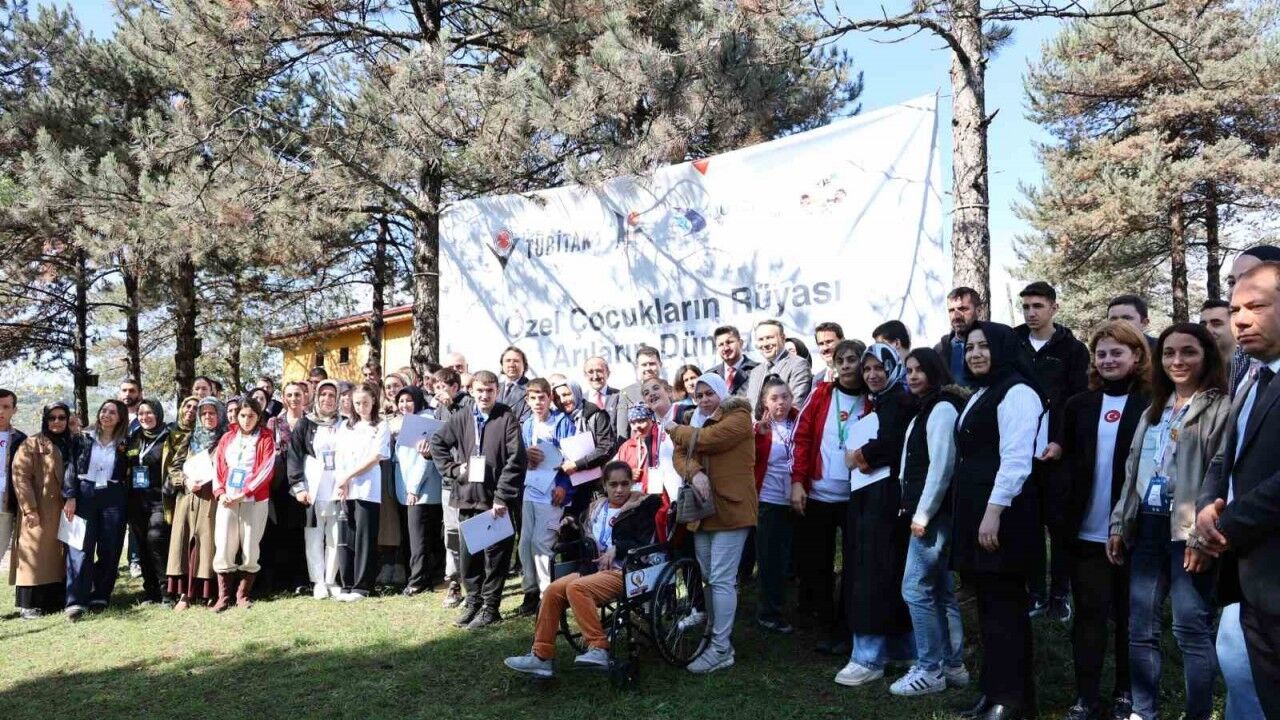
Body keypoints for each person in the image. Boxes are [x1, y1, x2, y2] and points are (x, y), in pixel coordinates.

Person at [1108, 323, 1229, 720]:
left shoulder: (1221, 408)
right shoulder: (1154, 409)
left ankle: (1198, 714)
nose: (1177, 360)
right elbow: (1133, 473)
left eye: (1188, 351)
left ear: (1206, 356)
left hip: (1189, 531)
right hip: (1147, 525)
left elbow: (1219, 473)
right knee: (1139, 628)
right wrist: (1119, 524)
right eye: (1169, 353)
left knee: (1190, 630)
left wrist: (1202, 536)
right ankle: (1143, 712)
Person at [1195, 261, 1280, 720]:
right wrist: (1205, 508)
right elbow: (1224, 458)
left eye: (1256, 307)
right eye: (1235, 310)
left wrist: (1224, 526)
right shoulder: (1250, 379)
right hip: (1250, 582)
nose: (1241, 320)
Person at [952, 322, 1045, 720]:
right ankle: (992, 692)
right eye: (970, 347)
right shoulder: (982, 392)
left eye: (984, 346)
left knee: (1006, 609)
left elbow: (1016, 460)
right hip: (979, 511)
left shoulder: (1018, 392)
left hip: (1004, 515)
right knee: (989, 607)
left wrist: (993, 513)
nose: (975, 353)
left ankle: (1013, 700)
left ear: (1003, 349)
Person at [1058, 321, 1150, 720]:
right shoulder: (1079, 405)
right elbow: (1064, 463)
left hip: (1133, 533)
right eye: (1101, 353)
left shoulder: (1152, 404)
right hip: (1086, 532)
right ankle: (1086, 696)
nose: (1108, 360)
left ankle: (1127, 692)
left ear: (1137, 356)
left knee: (1131, 619)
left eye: (1117, 352)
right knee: (1089, 616)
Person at [503, 461, 661, 678]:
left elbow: (645, 541)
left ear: (631, 484)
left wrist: (618, 548)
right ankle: (541, 656)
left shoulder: (641, 507)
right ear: (604, 485)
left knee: (577, 588)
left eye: (625, 484)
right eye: (613, 484)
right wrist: (569, 525)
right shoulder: (597, 508)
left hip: (625, 571)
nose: (619, 490)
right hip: (592, 570)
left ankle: (599, 648)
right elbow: (583, 537)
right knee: (552, 591)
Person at [834, 344, 919, 687]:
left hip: (884, 500)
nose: (872, 374)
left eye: (879, 368)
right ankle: (899, 649)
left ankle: (868, 657)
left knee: (872, 572)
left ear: (892, 368)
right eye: (867, 369)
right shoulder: (885, 401)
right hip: (875, 499)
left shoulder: (899, 401)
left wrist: (857, 456)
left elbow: (892, 444)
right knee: (884, 571)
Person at [891, 348, 969, 697]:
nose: (912, 376)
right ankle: (953, 666)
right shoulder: (927, 408)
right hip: (929, 513)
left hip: (934, 516)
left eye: (919, 369)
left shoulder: (942, 408)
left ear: (935, 371)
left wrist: (922, 514)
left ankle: (929, 669)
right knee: (940, 589)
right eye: (908, 370)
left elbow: (942, 466)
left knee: (915, 588)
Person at [667, 372, 756, 674]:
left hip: (731, 508)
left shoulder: (739, 416)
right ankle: (715, 639)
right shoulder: (693, 421)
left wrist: (673, 428)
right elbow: (679, 457)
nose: (704, 400)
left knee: (721, 578)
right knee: (708, 577)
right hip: (702, 510)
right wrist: (696, 474)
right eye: (699, 395)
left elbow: (707, 439)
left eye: (709, 393)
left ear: (721, 392)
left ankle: (720, 648)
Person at [430, 370, 527, 630]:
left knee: (495, 557)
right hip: (467, 497)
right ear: (471, 391)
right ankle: (473, 602)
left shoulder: (506, 417)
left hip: (495, 501)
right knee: (469, 554)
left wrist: (502, 496)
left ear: (497, 391)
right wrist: (453, 470)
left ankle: (490, 607)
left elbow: (516, 460)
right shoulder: (462, 416)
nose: (485, 396)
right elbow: (438, 442)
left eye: (490, 391)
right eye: (480, 390)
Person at [1016, 281, 1089, 621]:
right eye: (1026, 307)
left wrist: (1061, 441)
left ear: (1054, 308)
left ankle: (1060, 593)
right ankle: (1034, 592)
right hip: (1020, 451)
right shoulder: (1013, 344)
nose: (1031, 313)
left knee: (1060, 527)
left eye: (1038, 306)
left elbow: (1078, 401)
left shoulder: (1072, 349)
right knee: (1027, 525)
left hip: (1058, 453)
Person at [791, 339, 867, 655]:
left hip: (856, 497)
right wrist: (798, 482)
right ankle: (824, 624)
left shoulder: (873, 399)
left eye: (853, 359)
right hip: (819, 495)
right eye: (841, 360)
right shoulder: (821, 394)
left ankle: (847, 626)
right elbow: (801, 438)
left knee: (855, 565)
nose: (847, 365)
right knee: (817, 563)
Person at [61, 400, 129, 619]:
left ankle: (100, 595)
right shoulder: (83, 438)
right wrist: (70, 496)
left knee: (110, 546)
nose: (106, 415)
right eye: (103, 410)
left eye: (112, 412)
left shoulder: (126, 442)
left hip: (113, 494)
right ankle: (76, 600)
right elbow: (71, 467)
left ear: (120, 418)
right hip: (84, 493)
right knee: (79, 546)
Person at [514, 379, 575, 615]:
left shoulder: (562, 422)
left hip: (552, 494)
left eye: (542, 397)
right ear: (527, 400)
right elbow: (520, 456)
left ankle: (547, 594)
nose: (538, 402)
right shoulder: (528, 424)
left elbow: (571, 458)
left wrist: (564, 486)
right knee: (525, 543)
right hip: (531, 490)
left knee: (542, 543)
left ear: (550, 398)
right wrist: (525, 456)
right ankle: (530, 590)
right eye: (533, 398)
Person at [211, 396, 277, 611]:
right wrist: (220, 492)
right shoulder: (227, 438)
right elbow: (217, 466)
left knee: (250, 546)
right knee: (224, 545)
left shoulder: (266, 438)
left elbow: (266, 469)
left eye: (251, 416)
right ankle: (224, 597)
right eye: (242, 415)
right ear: (236, 416)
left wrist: (245, 492)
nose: (246, 420)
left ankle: (243, 595)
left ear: (258, 417)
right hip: (227, 500)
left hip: (253, 500)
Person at [331, 383, 390, 601]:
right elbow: (339, 455)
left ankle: (362, 586)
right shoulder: (345, 426)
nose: (361, 407)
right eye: (357, 403)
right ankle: (346, 584)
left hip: (367, 488)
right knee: (347, 536)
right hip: (345, 488)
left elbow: (375, 457)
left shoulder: (380, 426)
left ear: (373, 400)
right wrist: (341, 481)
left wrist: (348, 477)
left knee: (365, 537)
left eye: (365, 402)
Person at [165, 397, 225, 610]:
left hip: (212, 498)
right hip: (188, 498)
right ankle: (184, 595)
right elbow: (174, 468)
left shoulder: (226, 439)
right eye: (204, 413)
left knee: (209, 544)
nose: (208, 417)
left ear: (220, 415)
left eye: (212, 413)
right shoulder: (190, 438)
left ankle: (209, 593)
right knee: (183, 543)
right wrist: (186, 481)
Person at [287, 379, 345, 600]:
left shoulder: (345, 423)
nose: (327, 399)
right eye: (323, 395)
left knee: (335, 536)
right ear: (316, 397)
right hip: (313, 490)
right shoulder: (305, 424)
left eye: (332, 395)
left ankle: (331, 579)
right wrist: (298, 487)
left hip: (338, 489)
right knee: (313, 537)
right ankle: (318, 581)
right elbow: (294, 456)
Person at [752, 376, 798, 634]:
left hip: (799, 497)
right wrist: (757, 436)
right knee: (771, 559)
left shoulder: (800, 421)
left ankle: (797, 606)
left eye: (785, 397)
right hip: (769, 500)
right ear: (765, 402)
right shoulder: (759, 429)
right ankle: (768, 613)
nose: (781, 402)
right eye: (774, 398)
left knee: (793, 557)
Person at [259, 381, 310, 596]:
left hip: (305, 481)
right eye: (289, 395)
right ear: (283, 397)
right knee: (279, 531)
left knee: (300, 531)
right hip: (280, 483)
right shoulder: (274, 422)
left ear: (304, 396)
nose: (294, 399)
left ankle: (300, 579)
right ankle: (280, 580)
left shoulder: (310, 421)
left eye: (297, 394)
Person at [394, 386, 444, 596]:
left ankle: (418, 581)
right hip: (406, 490)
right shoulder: (401, 422)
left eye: (409, 400)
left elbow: (425, 460)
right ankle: (423, 577)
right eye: (401, 401)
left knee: (419, 540)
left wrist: (413, 488)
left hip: (421, 491)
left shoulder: (425, 421)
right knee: (417, 538)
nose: (404, 405)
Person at [430, 367, 471, 608]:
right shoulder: (438, 411)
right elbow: (439, 443)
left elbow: (469, 432)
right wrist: (428, 450)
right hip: (449, 480)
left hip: (470, 479)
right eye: (435, 388)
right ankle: (454, 581)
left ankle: (474, 584)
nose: (438, 392)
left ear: (455, 387)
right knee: (452, 532)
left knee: (471, 530)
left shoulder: (468, 404)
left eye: (442, 387)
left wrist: (453, 405)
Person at [125, 399, 172, 605]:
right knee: (143, 543)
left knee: (156, 540)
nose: (145, 417)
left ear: (158, 414)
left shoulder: (169, 436)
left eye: (149, 413)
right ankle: (150, 591)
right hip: (137, 501)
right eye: (141, 413)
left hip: (159, 499)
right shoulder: (135, 437)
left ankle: (167, 592)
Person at [550, 378, 616, 517]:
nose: (562, 400)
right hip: (566, 487)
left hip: (593, 486)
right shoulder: (556, 421)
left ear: (576, 392)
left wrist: (577, 464)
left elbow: (605, 448)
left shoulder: (595, 414)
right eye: (557, 398)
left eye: (566, 394)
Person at [746, 319, 813, 412]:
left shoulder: (799, 365)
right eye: (761, 339)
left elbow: (795, 406)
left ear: (783, 338)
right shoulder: (755, 372)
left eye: (769, 338)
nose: (765, 344)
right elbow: (750, 409)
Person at [0, 389, 28, 576]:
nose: (0, 411)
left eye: (5, 407)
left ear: (14, 410)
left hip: (5, 508)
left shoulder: (21, 440)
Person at [933, 287, 983, 387]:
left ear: (978, 311)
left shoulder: (995, 345)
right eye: (951, 310)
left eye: (963, 309)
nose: (956, 316)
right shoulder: (939, 351)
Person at [614, 345, 664, 441]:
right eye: (644, 365)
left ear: (660, 365)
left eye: (652, 364)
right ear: (637, 367)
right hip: (638, 448)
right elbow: (622, 431)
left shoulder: (672, 392)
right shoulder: (626, 393)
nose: (648, 368)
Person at [1199, 298, 1240, 392]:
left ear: (1235, 326)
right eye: (1203, 325)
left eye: (1216, 324)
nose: (1207, 330)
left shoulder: (1253, 366)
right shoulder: (1197, 368)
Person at [710, 325, 758, 397]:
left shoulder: (757, 370)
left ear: (741, 343)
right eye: (721, 344)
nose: (726, 348)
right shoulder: (711, 375)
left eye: (729, 342)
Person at [496, 346, 532, 421]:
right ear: (502, 365)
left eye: (516, 361)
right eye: (508, 361)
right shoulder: (494, 388)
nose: (511, 365)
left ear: (524, 365)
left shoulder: (531, 389)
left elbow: (526, 421)